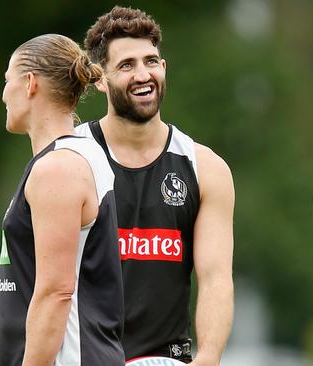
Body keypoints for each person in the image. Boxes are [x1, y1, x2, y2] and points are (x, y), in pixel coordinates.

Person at [76, 6, 235, 365]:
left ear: (163, 68)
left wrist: (208, 358)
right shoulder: (72, 160)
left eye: (150, 61)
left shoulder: (205, 168)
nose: (142, 74)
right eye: (127, 65)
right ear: (100, 78)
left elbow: (215, 280)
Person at [0, 34, 124, 366]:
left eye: (7, 80)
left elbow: (56, 293)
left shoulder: (59, 168)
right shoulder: (66, 159)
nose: (3, 94)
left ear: (29, 83)